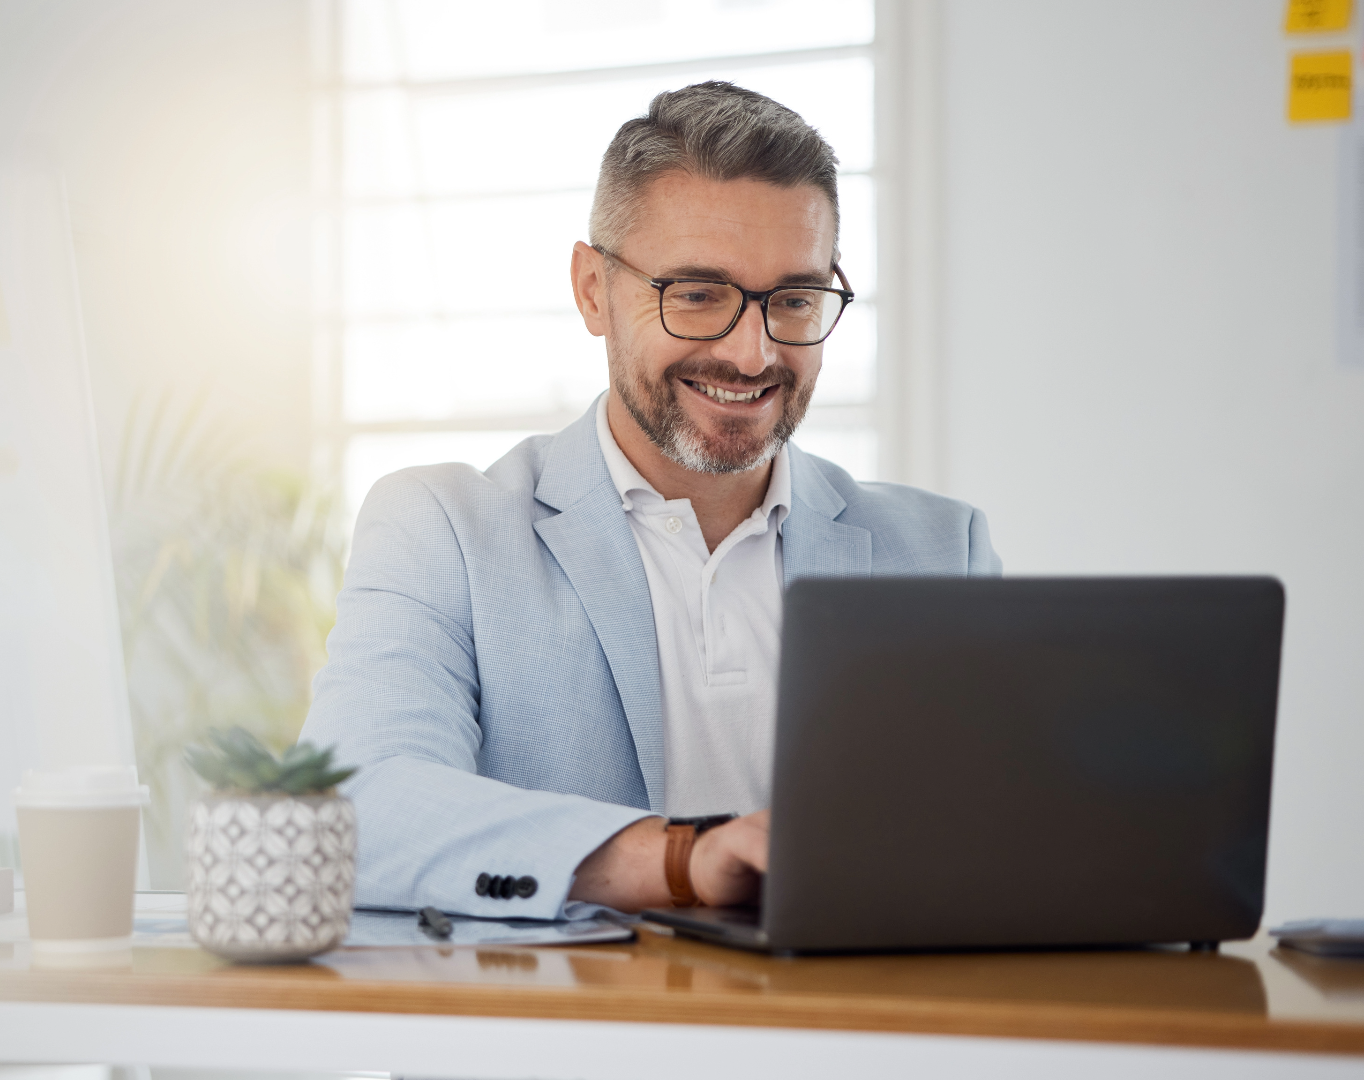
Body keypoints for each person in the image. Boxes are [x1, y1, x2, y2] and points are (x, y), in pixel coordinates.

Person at [299, 81, 1000, 919]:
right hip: (568, 1047)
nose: (752, 353)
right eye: (698, 294)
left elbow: (1015, 839)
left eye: (795, 300)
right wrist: (682, 863)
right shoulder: (444, 531)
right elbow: (356, 809)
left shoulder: (940, 551)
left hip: (848, 1047)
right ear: (594, 290)